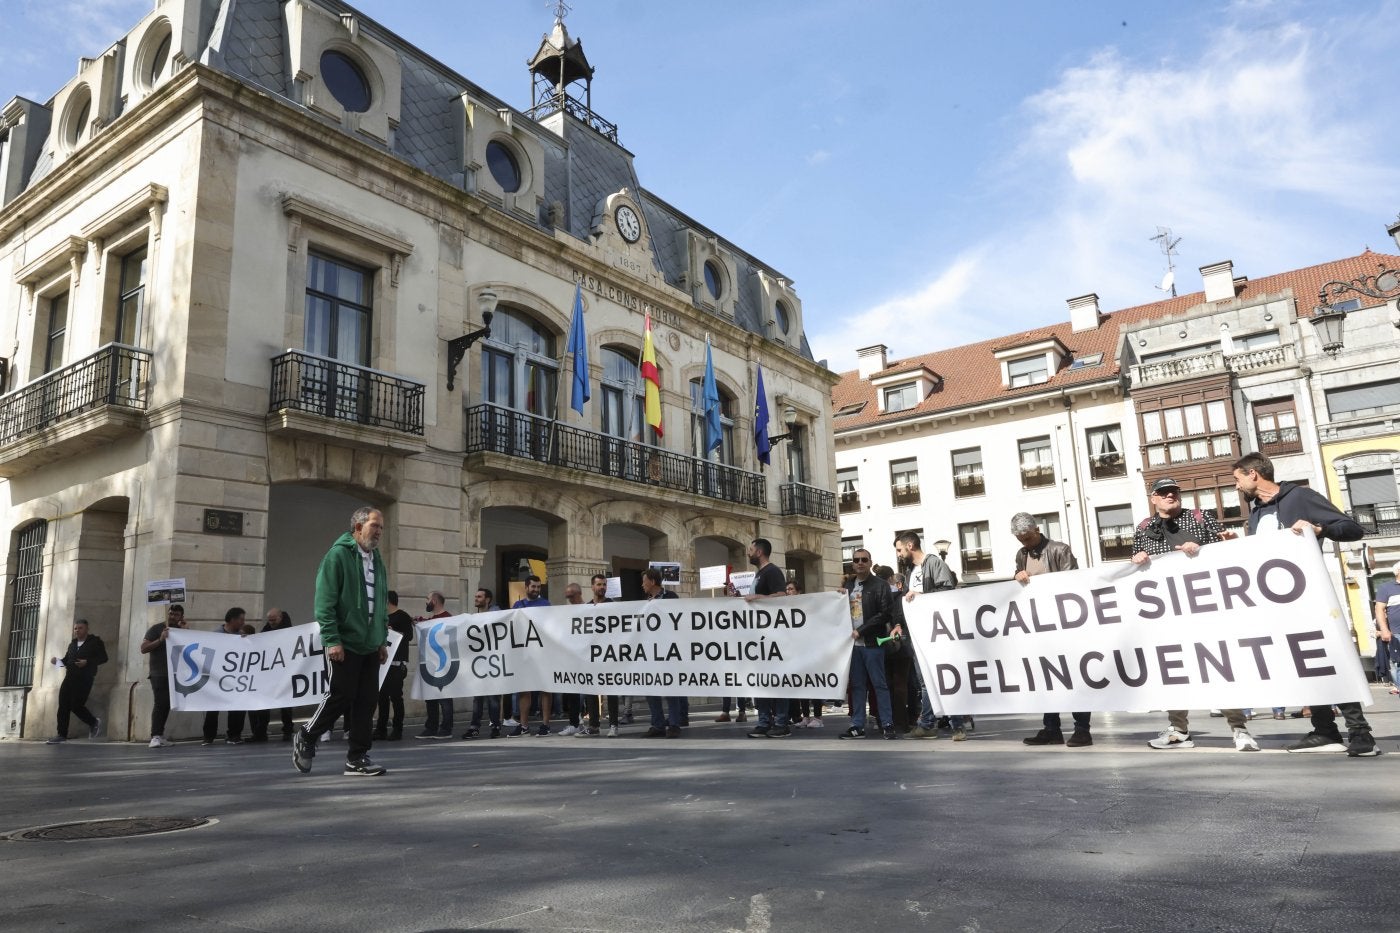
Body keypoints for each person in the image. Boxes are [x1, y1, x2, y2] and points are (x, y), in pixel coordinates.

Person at [1232, 453, 1375, 756]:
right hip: (1279, 606)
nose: (1236, 486)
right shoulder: (1256, 514)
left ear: (1254, 474)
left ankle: (1360, 733)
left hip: (1311, 598)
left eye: (1237, 479)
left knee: (1332, 662)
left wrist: (1319, 529)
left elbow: (1352, 529)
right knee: (1306, 668)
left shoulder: (1302, 497)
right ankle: (1325, 731)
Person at [1131, 478, 1259, 753]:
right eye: (1163, 493)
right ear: (1153, 498)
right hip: (1167, 614)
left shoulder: (1201, 518)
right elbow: (1135, 565)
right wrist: (1138, 558)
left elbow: (1224, 552)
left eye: (1174, 492)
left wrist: (1202, 551)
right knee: (1173, 672)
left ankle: (1239, 729)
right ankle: (1178, 730)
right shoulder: (1143, 528)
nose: (1170, 496)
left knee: (1217, 668)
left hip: (1204, 609)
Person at [292, 506, 391, 776]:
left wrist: (381, 639)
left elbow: (380, 603)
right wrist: (332, 639)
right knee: (341, 695)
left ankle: (357, 758)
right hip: (345, 642)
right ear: (358, 527)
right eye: (375, 525)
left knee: (367, 700)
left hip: (370, 644)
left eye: (381, 527)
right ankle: (307, 735)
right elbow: (325, 602)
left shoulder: (377, 560)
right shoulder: (337, 556)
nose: (379, 531)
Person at [1008, 512, 1092, 748]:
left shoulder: (1059, 550)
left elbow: (1072, 584)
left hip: (1064, 625)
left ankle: (1082, 729)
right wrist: (1017, 575)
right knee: (1045, 677)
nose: (1024, 543)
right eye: (1019, 539)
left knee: (1073, 675)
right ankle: (1051, 728)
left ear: (1036, 530)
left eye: (1026, 538)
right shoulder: (1021, 554)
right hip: (1038, 627)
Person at [899, 531, 965, 740]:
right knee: (926, 681)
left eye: (900, 549)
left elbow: (947, 590)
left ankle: (957, 725)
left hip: (937, 632)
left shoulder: (934, 564)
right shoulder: (911, 571)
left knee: (945, 677)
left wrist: (922, 596)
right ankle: (929, 723)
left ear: (910, 546)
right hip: (919, 633)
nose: (899, 554)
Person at [838, 548, 898, 740]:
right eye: (856, 560)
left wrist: (861, 631)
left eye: (864, 559)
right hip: (853, 647)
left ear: (870, 562)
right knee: (856, 686)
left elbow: (885, 614)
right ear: (853, 564)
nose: (860, 563)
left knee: (879, 685)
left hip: (873, 643)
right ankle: (857, 725)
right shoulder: (848, 586)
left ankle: (887, 723)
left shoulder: (880, 585)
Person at [739, 538, 793, 739]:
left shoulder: (772, 572)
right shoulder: (760, 574)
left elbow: (781, 596)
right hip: (759, 638)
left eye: (751, 549)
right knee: (760, 680)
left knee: (777, 680)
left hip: (773, 638)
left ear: (759, 552)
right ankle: (764, 722)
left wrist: (758, 599)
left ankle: (781, 722)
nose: (748, 553)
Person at [45, 619, 107, 744]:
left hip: (85, 678)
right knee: (63, 706)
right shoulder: (72, 644)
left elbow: (104, 658)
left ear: (87, 629)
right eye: (75, 628)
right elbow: (66, 661)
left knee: (76, 706)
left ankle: (93, 722)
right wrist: (57, 662)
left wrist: (87, 662)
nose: (77, 631)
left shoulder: (95, 642)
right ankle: (61, 734)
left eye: (80, 628)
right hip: (69, 678)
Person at [641, 568, 684, 737]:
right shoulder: (645, 601)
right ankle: (657, 724)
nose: (642, 585)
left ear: (652, 582)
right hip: (650, 651)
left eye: (644, 581)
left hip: (668, 650)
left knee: (671, 688)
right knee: (651, 689)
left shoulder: (671, 597)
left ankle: (674, 724)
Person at [510, 576, 552, 736]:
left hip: (542, 653)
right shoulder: (517, 606)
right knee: (524, 689)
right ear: (526, 587)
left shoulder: (546, 605)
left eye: (538, 587)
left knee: (545, 688)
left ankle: (545, 724)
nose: (536, 589)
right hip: (524, 654)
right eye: (533, 587)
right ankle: (524, 726)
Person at [202, 608, 251, 746]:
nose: (243, 622)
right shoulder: (216, 634)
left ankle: (234, 735)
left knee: (238, 706)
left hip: (235, 677)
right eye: (241, 619)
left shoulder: (241, 636)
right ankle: (208, 736)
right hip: (216, 677)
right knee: (213, 707)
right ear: (232, 619)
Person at [581, 574, 622, 737]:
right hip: (593, 655)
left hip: (609, 655)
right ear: (592, 587)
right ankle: (594, 725)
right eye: (599, 584)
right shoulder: (587, 608)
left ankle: (613, 725)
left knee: (611, 691)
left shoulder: (613, 605)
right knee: (591, 690)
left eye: (604, 584)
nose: (602, 587)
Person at [140, 604, 185, 747]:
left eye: (176, 614)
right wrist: (160, 639)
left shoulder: (182, 630)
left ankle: (159, 734)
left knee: (166, 704)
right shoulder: (157, 628)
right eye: (170, 613)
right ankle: (155, 736)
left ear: (181, 617)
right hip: (159, 673)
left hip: (176, 673)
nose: (172, 616)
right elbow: (143, 648)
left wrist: (187, 631)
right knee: (160, 703)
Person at [412, 590, 455, 739]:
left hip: (444, 664)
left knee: (444, 697)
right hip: (431, 664)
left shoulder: (448, 619)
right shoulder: (433, 619)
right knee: (430, 697)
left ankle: (446, 728)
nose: (426, 602)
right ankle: (431, 727)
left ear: (434, 601)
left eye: (427, 599)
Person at [249, 609, 295, 743]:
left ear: (281, 618)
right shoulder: (266, 630)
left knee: (286, 705)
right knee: (264, 703)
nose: (271, 623)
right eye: (269, 620)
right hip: (269, 673)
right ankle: (261, 732)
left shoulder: (290, 632)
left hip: (284, 672)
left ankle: (287, 731)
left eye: (274, 620)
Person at [463, 588, 503, 739]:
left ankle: (495, 725)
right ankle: (474, 727)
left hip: (493, 661)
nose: (476, 599)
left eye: (479, 597)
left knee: (493, 697)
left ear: (488, 599)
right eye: (475, 596)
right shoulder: (474, 618)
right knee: (478, 697)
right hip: (478, 663)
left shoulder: (497, 615)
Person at [375, 592, 413, 741]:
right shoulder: (381, 617)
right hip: (383, 663)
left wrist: (391, 631)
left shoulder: (402, 616)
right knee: (381, 697)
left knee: (396, 697)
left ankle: (397, 729)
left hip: (397, 663)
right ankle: (380, 729)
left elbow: (408, 636)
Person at [1376, 561, 1400, 694]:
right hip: (1397, 633)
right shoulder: (1386, 588)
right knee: (1399, 664)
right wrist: (1384, 629)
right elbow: (1379, 609)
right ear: (1397, 572)